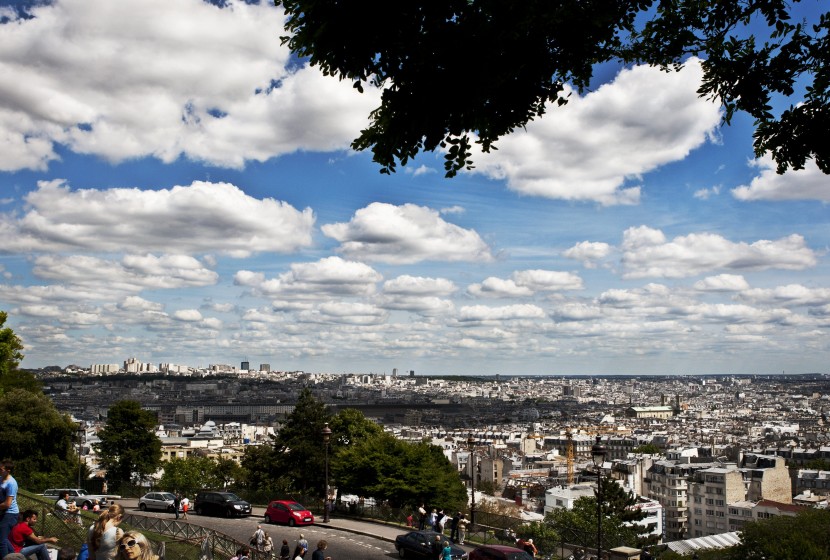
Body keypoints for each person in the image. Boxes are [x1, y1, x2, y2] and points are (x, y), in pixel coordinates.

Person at [0, 459, 20, 558]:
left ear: (8, 470)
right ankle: (15, 556)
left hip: (10, 513)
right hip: (3, 512)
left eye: (1, 469)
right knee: (3, 537)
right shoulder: (1, 478)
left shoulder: (11, 483)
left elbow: (8, 504)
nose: (0, 470)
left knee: (1, 541)